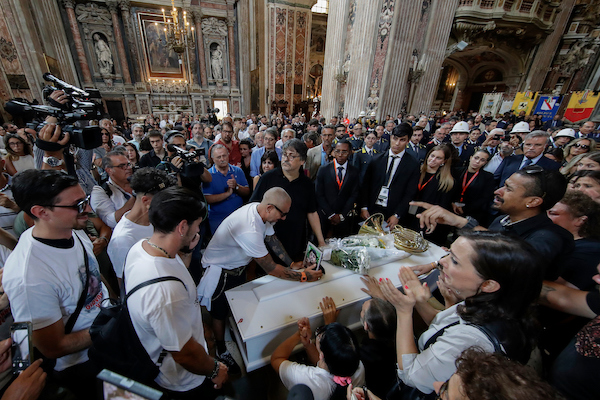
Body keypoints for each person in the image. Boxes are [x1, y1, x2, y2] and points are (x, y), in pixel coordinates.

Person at [378, 231, 543, 395]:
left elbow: (411, 375)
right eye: (449, 253)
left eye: (455, 261)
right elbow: (442, 325)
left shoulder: (470, 339)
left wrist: (403, 311)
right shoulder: (492, 303)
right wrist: (419, 300)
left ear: (489, 285)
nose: (442, 262)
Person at [3, 170, 105, 398]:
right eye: (78, 205)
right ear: (41, 212)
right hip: (78, 366)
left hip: (104, 344)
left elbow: (93, 277)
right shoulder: (29, 277)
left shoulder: (70, 231)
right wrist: (109, 325)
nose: (88, 210)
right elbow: (53, 346)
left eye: (86, 200)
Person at [198, 187, 323, 373]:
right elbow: (271, 269)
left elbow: (272, 239)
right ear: (271, 208)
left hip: (236, 266)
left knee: (235, 305)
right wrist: (304, 276)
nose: (284, 219)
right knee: (219, 312)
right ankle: (221, 348)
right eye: (283, 214)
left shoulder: (261, 211)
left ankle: (235, 334)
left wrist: (291, 264)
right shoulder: (249, 228)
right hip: (222, 271)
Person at [125, 187, 228, 399]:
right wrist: (216, 369)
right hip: (185, 381)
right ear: (182, 226)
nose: (198, 231)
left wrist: (187, 248)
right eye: (197, 225)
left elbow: (176, 267)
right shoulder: (165, 292)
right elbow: (185, 354)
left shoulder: (141, 247)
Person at [412, 166, 573, 281]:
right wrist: (437, 264)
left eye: (508, 189)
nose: (498, 191)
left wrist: (462, 225)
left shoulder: (551, 237)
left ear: (532, 201)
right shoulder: (502, 220)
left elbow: (512, 261)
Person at [251, 139, 326, 260]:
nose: (286, 159)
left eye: (292, 156)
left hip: (295, 239)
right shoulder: (267, 178)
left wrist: (321, 241)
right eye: (284, 154)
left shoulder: (307, 184)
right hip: (269, 238)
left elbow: (312, 212)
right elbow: (253, 207)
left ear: (302, 161)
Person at [107, 168, 175, 280]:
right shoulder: (122, 239)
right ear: (146, 201)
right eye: (164, 200)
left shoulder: (154, 220)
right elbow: (126, 282)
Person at [272, 320, 365, 400]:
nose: (318, 334)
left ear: (321, 355)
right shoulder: (359, 368)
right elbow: (325, 365)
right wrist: (308, 345)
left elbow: (276, 359)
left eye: (320, 336)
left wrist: (298, 334)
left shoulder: (306, 379)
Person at [360, 122, 420, 228]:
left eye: (402, 140)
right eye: (395, 138)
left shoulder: (412, 164)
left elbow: (409, 192)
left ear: (408, 141)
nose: (397, 143)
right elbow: (366, 185)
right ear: (391, 137)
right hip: (373, 207)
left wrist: (397, 214)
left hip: (393, 210)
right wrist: (364, 207)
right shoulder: (376, 160)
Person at [315, 139, 360, 238]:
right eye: (338, 151)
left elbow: (354, 194)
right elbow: (319, 193)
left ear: (349, 152)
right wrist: (330, 214)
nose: (340, 154)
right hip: (325, 214)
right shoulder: (323, 169)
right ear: (333, 151)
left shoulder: (354, 171)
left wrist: (342, 215)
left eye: (344, 152)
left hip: (343, 216)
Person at [203, 145, 250, 234]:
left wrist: (236, 187)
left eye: (224, 155)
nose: (222, 159)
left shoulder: (237, 171)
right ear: (213, 158)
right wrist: (227, 194)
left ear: (228, 155)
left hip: (238, 217)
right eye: (219, 157)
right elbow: (207, 199)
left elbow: (247, 192)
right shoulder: (208, 175)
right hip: (217, 219)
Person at [494, 130, 559, 187]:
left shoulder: (553, 166)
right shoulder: (510, 160)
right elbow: (494, 180)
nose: (531, 148)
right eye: (528, 144)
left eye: (537, 145)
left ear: (545, 146)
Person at [90, 151, 135, 228]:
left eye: (128, 164)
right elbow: (111, 221)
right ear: (109, 170)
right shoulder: (100, 191)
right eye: (122, 166)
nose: (128, 168)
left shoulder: (138, 183)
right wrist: (136, 197)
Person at [452, 150, 495, 226]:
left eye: (482, 160)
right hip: (452, 206)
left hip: (472, 212)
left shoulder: (488, 177)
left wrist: (464, 209)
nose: (477, 161)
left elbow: (485, 198)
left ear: (485, 163)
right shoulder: (456, 171)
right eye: (476, 158)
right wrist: (452, 203)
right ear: (471, 158)